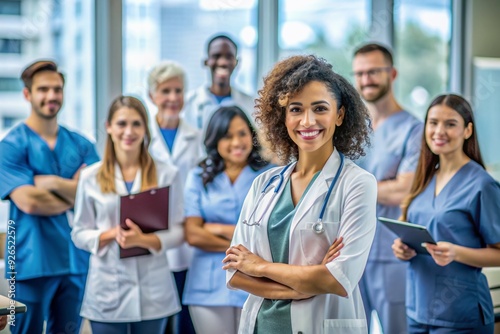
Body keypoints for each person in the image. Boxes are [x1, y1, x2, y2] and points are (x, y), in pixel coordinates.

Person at [223, 55, 377, 334]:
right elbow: (235, 274)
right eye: (296, 109)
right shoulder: (265, 184)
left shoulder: (357, 184)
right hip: (262, 326)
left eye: (320, 108)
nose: (307, 121)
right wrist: (298, 288)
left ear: (339, 115)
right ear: (283, 116)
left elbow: (337, 280)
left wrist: (259, 266)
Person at [0, 60, 99, 334]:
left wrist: (51, 182)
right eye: (43, 89)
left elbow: (100, 196)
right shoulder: (10, 146)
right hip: (27, 263)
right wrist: (76, 191)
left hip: (74, 261)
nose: (52, 96)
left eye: (57, 89)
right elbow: (29, 202)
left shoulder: (82, 145)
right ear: (27, 94)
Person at [71, 96, 185, 334]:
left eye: (136, 124)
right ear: (109, 127)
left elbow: (178, 232)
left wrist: (145, 241)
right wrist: (111, 234)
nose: (129, 132)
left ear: (145, 128)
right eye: (122, 124)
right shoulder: (90, 177)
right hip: (107, 292)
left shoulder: (167, 174)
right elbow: (79, 234)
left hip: (153, 294)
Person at [392, 94, 500, 334]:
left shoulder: (482, 185)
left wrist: (456, 252)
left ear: (467, 130)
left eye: (450, 124)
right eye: (433, 123)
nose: (439, 131)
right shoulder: (425, 178)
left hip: (460, 314)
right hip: (417, 309)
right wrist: (402, 249)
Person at [352, 43, 423, 334]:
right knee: (348, 327)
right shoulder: (351, 129)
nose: (366, 79)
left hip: (389, 252)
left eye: (373, 72)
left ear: (392, 74)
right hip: (349, 249)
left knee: (398, 329)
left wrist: (351, 188)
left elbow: (404, 190)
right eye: (360, 73)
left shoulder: (414, 129)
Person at [183, 106, 272, 334]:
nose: (237, 142)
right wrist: (245, 251)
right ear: (215, 140)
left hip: (258, 282)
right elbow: (193, 234)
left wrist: (217, 228)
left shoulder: (270, 176)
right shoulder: (198, 176)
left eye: (242, 133)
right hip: (207, 286)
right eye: (227, 136)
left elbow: (271, 231)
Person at [147, 60, 203, 334]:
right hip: (150, 235)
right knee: (157, 319)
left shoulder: (198, 137)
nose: (172, 98)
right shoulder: (141, 138)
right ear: (152, 96)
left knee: (185, 321)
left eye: (178, 91)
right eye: (165, 91)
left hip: (187, 237)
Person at [182, 34, 255, 132]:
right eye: (216, 56)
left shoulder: (250, 104)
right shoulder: (188, 103)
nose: (222, 62)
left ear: (236, 62)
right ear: (206, 61)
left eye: (229, 56)